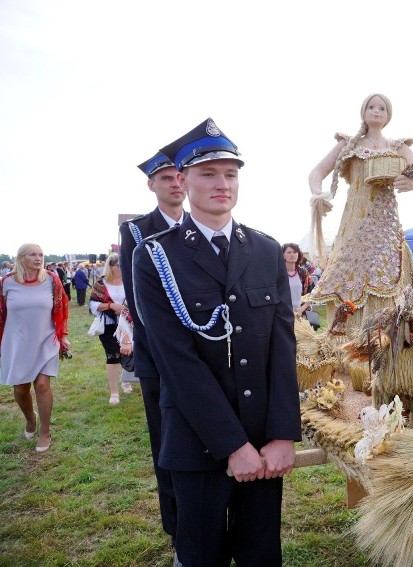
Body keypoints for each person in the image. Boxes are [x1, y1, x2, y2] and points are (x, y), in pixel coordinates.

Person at [133, 118, 301, 566]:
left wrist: (283, 434)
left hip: (264, 442)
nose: (221, 183)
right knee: (201, 553)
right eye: (208, 173)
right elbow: (177, 364)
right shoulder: (155, 256)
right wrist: (232, 446)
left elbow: (283, 350)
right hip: (197, 438)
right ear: (182, 181)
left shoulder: (266, 250)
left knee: (261, 554)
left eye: (230, 173)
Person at [308, 93, 413, 337]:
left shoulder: (398, 147)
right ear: (363, 111)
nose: (377, 111)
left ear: (388, 116)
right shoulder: (349, 144)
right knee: (339, 277)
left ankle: (381, 340)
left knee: (385, 284)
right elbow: (316, 173)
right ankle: (330, 340)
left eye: (382, 108)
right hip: (354, 223)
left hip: (385, 227)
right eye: (372, 107)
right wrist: (318, 196)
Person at [119, 150, 186, 541]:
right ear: (152, 185)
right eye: (165, 178)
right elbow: (139, 301)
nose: (175, 183)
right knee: (167, 442)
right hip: (159, 356)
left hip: (207, 353)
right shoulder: (137, 231)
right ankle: (178, 529)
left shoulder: (201, 225)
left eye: (179, 176)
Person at [0, 243, 70, 452]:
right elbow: (1, 315)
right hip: (17, 342)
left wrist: (63, 336)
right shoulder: (7, 282)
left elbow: (62, 307)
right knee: (21, 389)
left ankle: (45, 431)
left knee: (42, 385)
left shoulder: (51, 279)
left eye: (40, 254)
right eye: (32, 254)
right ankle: (30, 418)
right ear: (21, 258)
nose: (38, 258)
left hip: (45, 340)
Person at [89, 253, 129, 404]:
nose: (121, 268)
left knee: (129, 352)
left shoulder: (130, 280)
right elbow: (92, 304)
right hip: (109, 324)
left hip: (129, 323)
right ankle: (114, 392)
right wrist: (111, 305)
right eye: (118, 265)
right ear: (111, 267)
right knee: (113, 356)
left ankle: (126, 381)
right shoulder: (101, 283)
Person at [282, 242, 318, 329]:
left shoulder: (303, 273)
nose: (292, 254)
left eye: (295, 252)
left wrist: (301, 309)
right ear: (282, 255)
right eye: (289, 252)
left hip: (301, 314)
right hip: (283, 315)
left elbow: (312, 294)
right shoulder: (278, 274)